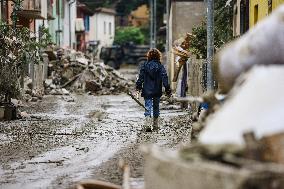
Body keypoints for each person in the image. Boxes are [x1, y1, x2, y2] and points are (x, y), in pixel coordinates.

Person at [136, 48, 172, 131]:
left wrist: (138, 87)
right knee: (156, 107)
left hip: (147, 90)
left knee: (147, 107)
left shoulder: (145, 65)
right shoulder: (160, 66)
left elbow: (141, 77)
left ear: (149, 56)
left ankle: (147, 125)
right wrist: (167, 89)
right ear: (158, 56)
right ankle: (155, 126)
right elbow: (164, 77)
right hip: (157, 90)